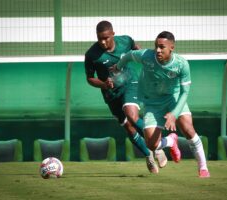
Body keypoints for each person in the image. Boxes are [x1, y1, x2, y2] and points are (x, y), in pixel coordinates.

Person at [112, 31, 210, 178]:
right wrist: (118, 67)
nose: (157, 50)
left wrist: (174, 114)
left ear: (172, 47)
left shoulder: (181, 64)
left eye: (162, 47)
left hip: (174, 99)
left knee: (188, 129)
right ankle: (171, 141)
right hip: (152, 103)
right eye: (156, 46)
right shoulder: (146, 56)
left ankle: (203, 168)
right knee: (151, 144)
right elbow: (128, 56)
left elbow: (185, 92)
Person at [84, 20, 167, 174]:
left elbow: (136, 49)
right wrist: (103, 84)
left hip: (130, 83)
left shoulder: (125, 41)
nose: (103, 41)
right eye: (99, 38)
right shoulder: (91, 55)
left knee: (132, 116)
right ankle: (148, 155)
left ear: (113, 34)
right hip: (111, 94)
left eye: (106, 37)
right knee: (128, 127)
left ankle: (158, 146)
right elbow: (89, 78)